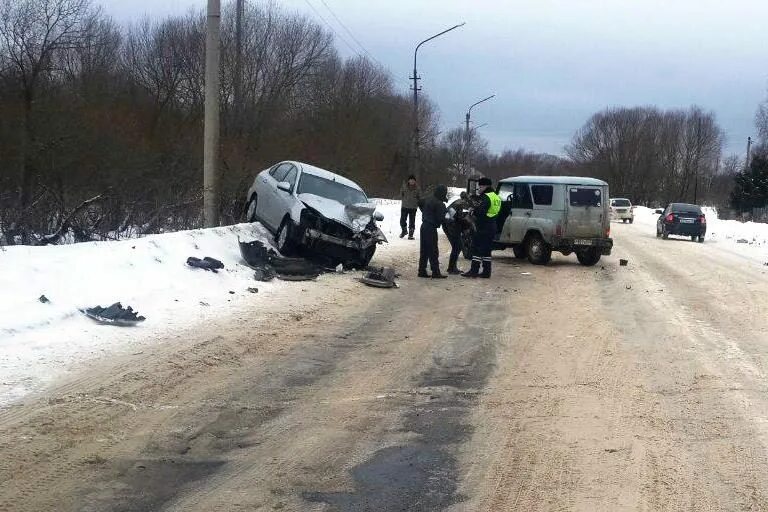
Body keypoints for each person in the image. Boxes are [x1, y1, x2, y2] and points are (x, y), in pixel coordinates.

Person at [463, 177, 501, 278]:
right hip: (492, 225)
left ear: (485, 186)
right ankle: (486, 271)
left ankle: (474, 270)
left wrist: (473, 211)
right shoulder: (496, 197)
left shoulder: (485, 197)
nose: (478, 189)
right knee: (487, 250)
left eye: (480, 186)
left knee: (477, 248)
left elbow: (481, 212)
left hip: (483, 226)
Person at [418, 184, 448, 278]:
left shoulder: (428, 199)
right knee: (433, 250)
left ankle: (421, 271)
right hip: (431, 228)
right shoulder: (439, 203)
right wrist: (447, 217)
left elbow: (420, 202)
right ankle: (436, 272)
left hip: (424, 226)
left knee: (424, 250)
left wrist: (426, 212)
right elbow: (441, 218)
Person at [442, 191, 471, 274]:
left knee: (457, 247)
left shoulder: (458, 203)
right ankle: (451, 268)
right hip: (451, 226)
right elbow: (453, 218)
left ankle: (452, 267)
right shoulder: (460, 204)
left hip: (448, 225)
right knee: (457, 247)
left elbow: (456, 216)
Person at [399, 175, 421, 239]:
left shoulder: (418, 188)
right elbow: (401, 194)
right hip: (404, 206)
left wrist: (418, 203)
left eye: (413, 180)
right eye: (410, 180)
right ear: (408, 181)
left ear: (415, 181)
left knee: (412, 221)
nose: (412, 181)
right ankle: (404, 231)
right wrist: (402, 196)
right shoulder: (404, 187)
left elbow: (420, 197)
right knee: (402, 220)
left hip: (413, 207)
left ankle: (411, 235)